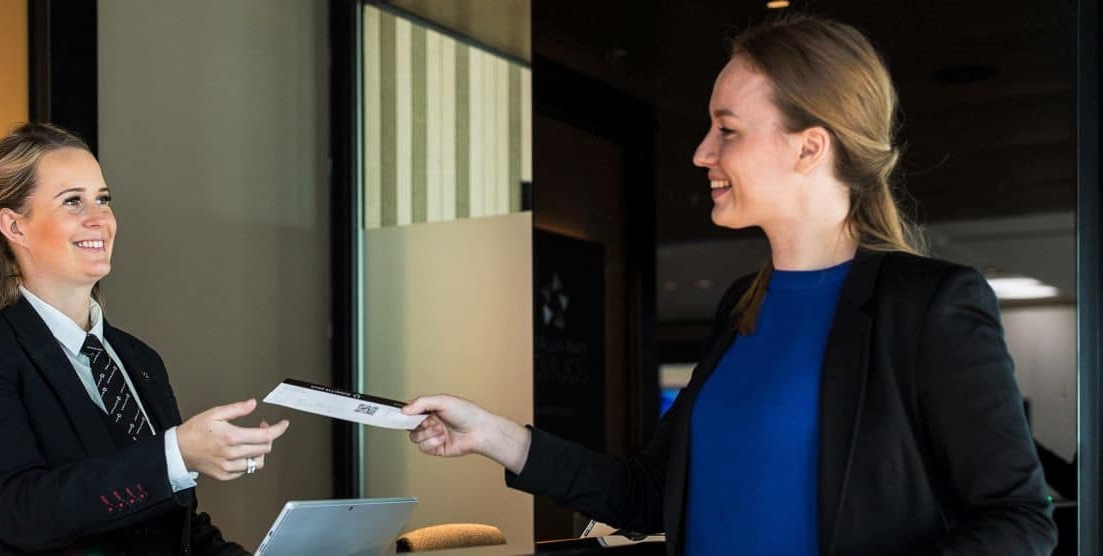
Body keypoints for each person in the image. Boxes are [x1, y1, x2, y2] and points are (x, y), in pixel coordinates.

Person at [402, 15, 1056, 555]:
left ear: (809, 148)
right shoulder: (743, 306)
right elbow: (646, 493)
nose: (702, 153)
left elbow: (1017, 520)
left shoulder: (927, 305)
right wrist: (491, 435)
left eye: (728, 131)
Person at [0, 123, 288, 555]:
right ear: (14, 226)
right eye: (72, 202)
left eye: (102, 199)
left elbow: (177, 532)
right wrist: (174, 455)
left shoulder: (141, 361)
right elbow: (16, 513)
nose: (99, 219)